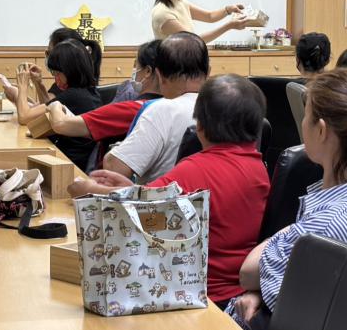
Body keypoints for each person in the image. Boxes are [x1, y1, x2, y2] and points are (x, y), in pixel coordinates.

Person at [226, 68, 347, 329]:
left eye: (306, 117)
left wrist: (261, 279)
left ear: (321, 130)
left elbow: (248, 272)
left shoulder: (330, 225)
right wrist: (261, 290)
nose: (302, 124)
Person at [68, 74, 270, 309]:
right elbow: (157, 202)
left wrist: (89, 189)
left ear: (200, 126)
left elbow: (134, 213)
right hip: (238, 293)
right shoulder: (259, 169)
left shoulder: (194, 170)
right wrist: (133, 190)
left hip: (196, 295)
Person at [102, 32, 209, 183]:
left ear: (159, 75)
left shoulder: (162, 110)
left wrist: (117, 149)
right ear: (208, 71)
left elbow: (114, 169)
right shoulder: (225, 107)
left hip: (164, 197)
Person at [47, 39, 161, 142]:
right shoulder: (167, 107)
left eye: (136, 65)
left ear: (148, 71)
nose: (134, 70)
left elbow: (61, 124)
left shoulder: (133, 109)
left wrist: (55, 105)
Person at [16, 39, 102, 169]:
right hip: (69, 160)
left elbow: (24, 117)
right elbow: (47, 109)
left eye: (57, 73)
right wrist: (38, 82)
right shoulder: (89, 92)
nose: (56, 79)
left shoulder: (74, 96)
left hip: (69, 165)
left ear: (70, 70)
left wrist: (22, 86)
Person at [3, 28, 101, 103]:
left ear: (65, 54)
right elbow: (45, 106)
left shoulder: (72, 92)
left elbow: (28, 116)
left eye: (50, 53)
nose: (48, 58)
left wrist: (20, 92)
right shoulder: (67, 84)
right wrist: (36, 83)